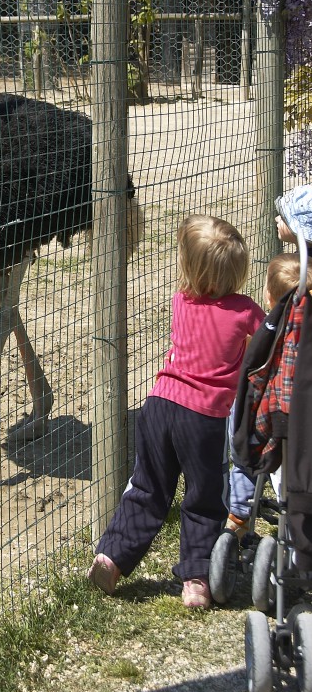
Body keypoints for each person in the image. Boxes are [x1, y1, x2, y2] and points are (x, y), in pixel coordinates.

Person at [87, 214, 265, 609]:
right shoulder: (244, 310)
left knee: (147, 487)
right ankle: (197, 578)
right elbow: (270, 337)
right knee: (204, 498)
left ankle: (112, 558)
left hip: (158, 406)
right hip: (203, 419)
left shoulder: (180, 301)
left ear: (189, 267)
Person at [226, 185, 312, 536]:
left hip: (280, 418)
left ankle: (237, 513)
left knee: (243, 428)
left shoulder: (291, 313)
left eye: (285, 217)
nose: (277, 220)